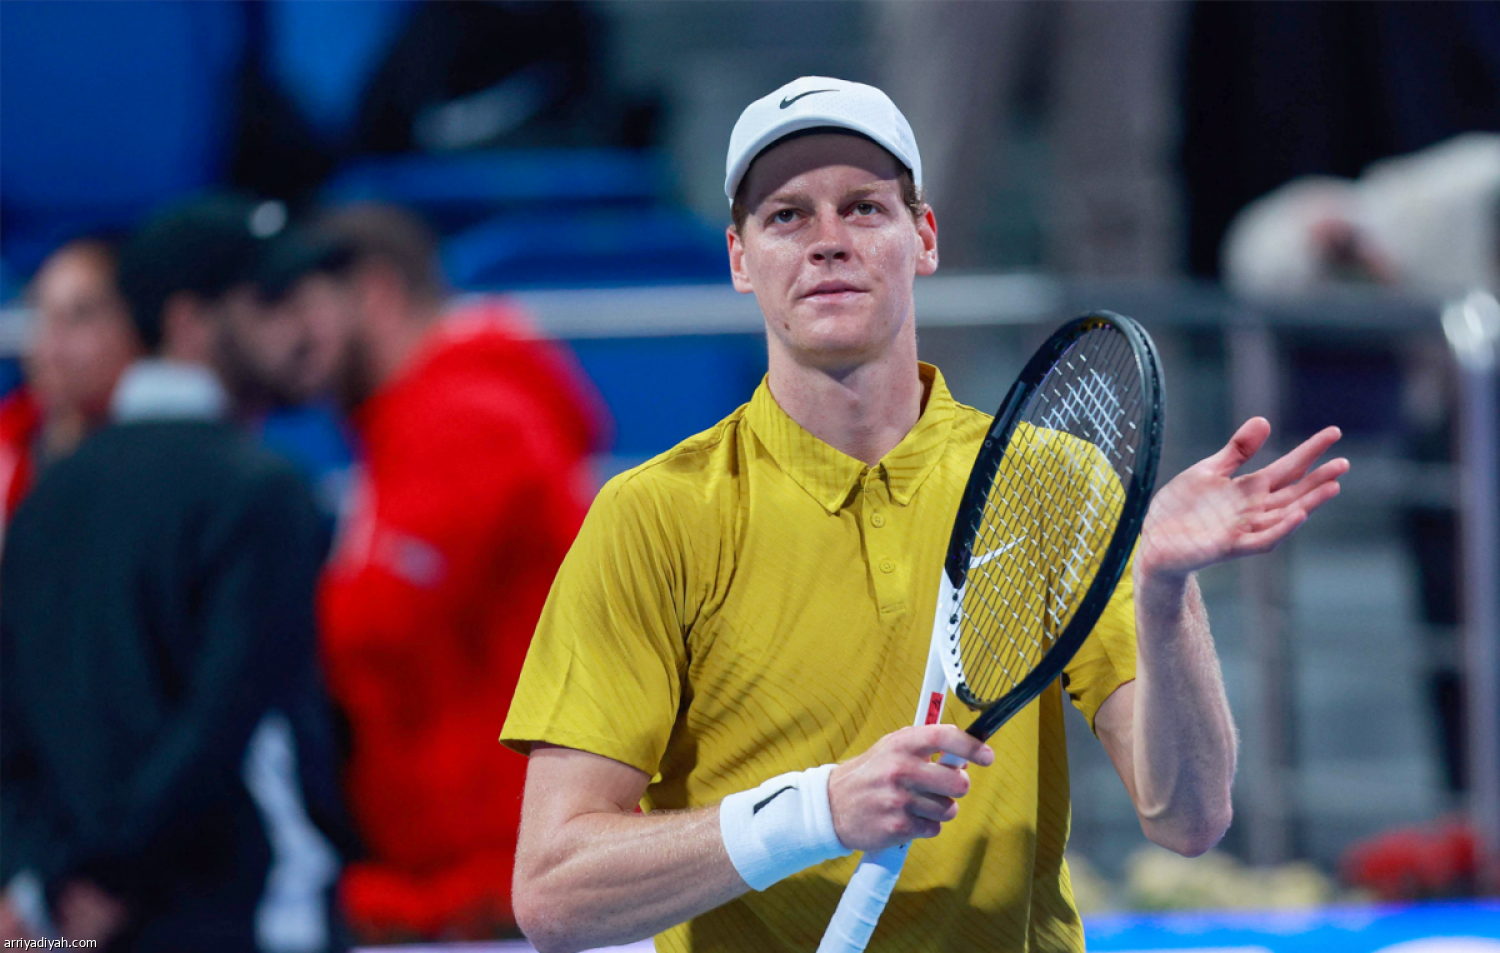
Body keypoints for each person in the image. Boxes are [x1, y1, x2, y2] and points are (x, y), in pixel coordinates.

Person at [501, 77, 1350, 953]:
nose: (828, 240)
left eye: (864, 208)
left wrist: (1165, 594)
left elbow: (1190, 817)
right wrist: (818, 811)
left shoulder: (1054, 482)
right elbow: (556, 894)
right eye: (787, 216)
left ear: (926, 237)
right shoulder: (652, 515)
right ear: (740, 259)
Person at [0, 196, 351, 953]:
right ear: (189, 322)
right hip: (248, 910)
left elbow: (12, 728)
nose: (301, 327)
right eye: (268, 301)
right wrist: (110, 872)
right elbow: (226, 713)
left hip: (81, 917)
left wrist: (55, 875)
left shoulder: (46, 494)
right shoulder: (265, 491)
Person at [287, 204, 606, 941]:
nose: (298, 337)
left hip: (490, 877)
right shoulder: (423, 417)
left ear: (374, 294)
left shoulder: (463, 416)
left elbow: (373, 628)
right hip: (471, 867)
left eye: (309, 308)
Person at [0, 238, 141, 546]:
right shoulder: (7, 443)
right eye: (42, 315)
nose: (52, 343)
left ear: (134, 325)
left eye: (80, 316)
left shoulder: (164, 455)